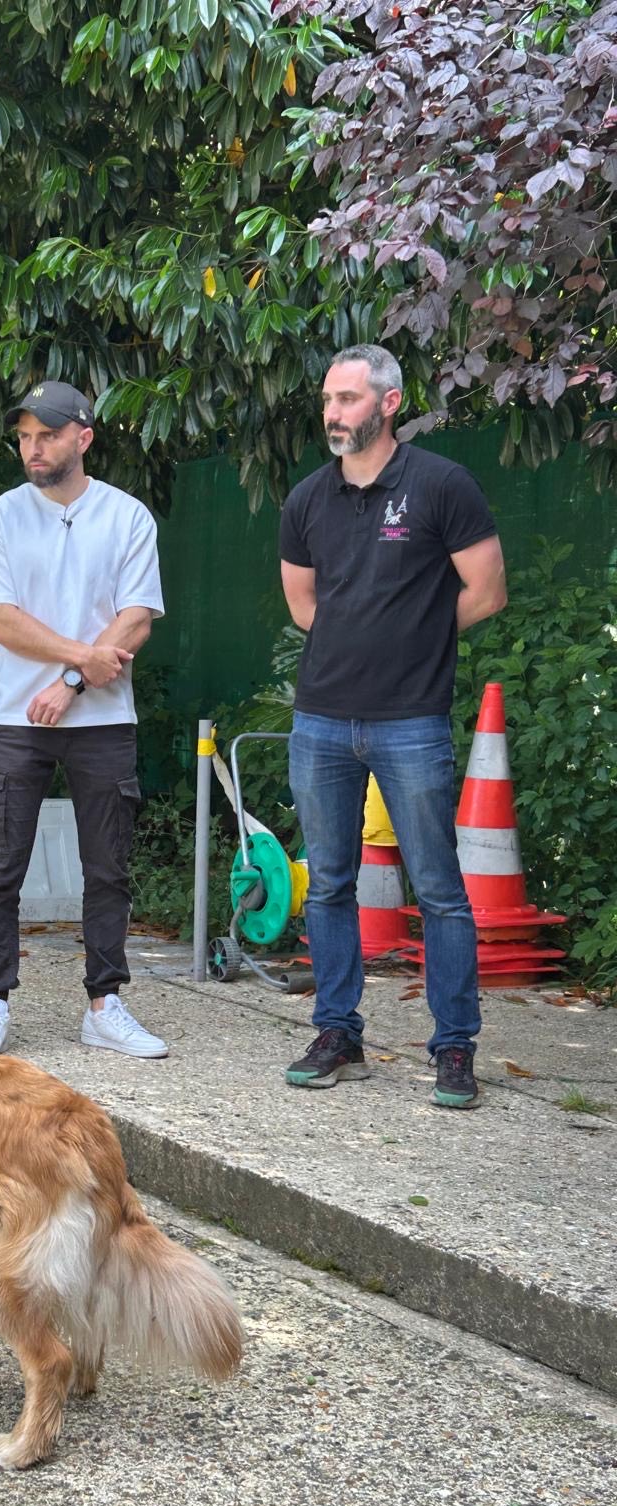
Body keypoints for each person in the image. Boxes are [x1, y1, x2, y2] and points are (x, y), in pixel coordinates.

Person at [278, 343, 507, 1108]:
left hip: (411, 721)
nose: (333, 413)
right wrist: (356, 645)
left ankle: (454, 1047)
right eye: (327, 399)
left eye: (347, 398)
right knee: (328, 885)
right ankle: (337, 1033)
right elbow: (303, 605)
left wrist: (415, 641)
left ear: (389, 403)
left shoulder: (441, 484)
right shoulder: (307, 499)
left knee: (438, 888)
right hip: (321, 721)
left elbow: (487, 590)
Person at [0, 380, 167, 1059]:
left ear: (84, 437)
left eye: (47, 435)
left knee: (107, 868)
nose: (33, 448)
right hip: (15, 716)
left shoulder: (128, 516)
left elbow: (137, 617)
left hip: (103, 722)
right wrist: (82, 658)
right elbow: (1, 620)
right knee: (0, 867)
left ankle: (104, 1006)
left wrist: (72, 683)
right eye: (24, 436)